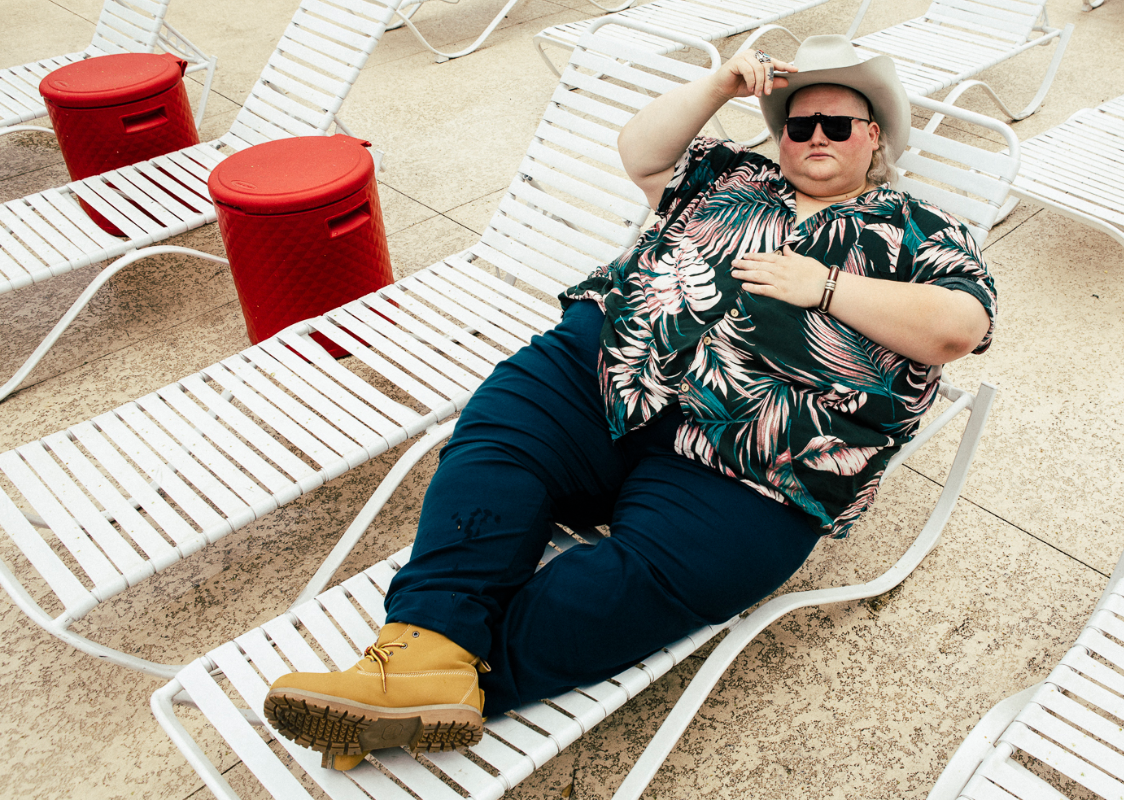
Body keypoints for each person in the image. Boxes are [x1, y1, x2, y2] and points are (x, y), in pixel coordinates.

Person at [262, 35, 996, 770]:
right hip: (605, 369)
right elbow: (640, 153)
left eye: (837, 125)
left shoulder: (918, 230)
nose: (814, 138)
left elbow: (960, 328)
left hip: (760, 452)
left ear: (874, 140)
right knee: (500, 446)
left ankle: (436, 682)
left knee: (660, 576)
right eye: (798, 126)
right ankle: (422, 648)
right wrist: (717, 86)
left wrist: (827, 288)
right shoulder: (729, 175)